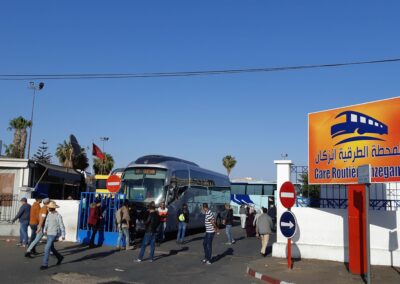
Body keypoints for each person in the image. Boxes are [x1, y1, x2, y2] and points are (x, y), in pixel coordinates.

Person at [40, 201, 65, 270]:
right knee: (51, 248)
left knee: (46, 248)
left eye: (50, 207)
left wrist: (63, 234)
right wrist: (44, 230)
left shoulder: (58, 216)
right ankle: (59, 257)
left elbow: (61, 225)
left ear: (53, 208)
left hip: (54, 233)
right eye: (49, 207)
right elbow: (46, 223)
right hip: (48, 233)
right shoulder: (49, 214)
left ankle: (45, 264)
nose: (48, 208)